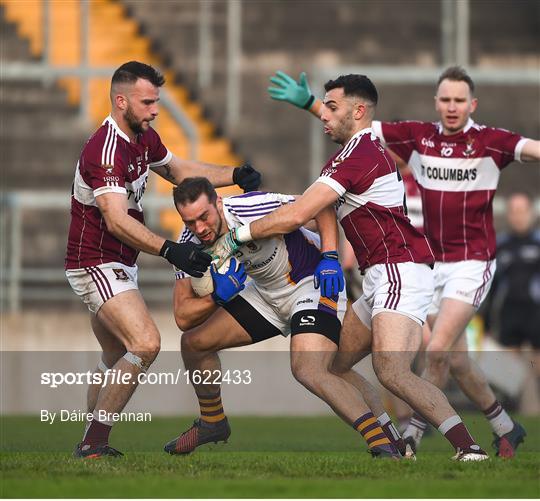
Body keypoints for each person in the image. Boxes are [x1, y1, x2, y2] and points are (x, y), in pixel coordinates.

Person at [266, 66, 540, 458]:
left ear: (472, 104)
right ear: (436, 102)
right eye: (444, 99)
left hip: (454, 262)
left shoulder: (489, 142)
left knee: (420, 357)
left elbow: (535, 150)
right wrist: (312, 104)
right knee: (357, 363)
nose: (451, 106)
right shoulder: (417, 137)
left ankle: (447, 444)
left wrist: (245, 229)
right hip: (411, 261)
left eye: (459, 100)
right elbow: (356, 126)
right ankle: (495, 427)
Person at [213, 74, 489, 461]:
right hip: (381, 275)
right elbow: (309, 214)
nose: (324, 115)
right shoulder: (358, 152)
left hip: (400, 268)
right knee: (335, 363)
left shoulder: (357, 156)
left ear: (358, 111)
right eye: (323, 106)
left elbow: (301, 214)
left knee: (391, 370)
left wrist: (238, 235)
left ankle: (469, 449)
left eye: (332, 106)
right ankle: (393, 442)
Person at [64, 61, 261, 458]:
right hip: (96, 263)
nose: (155, 110)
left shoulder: (142, 137)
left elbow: (177, 169)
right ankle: (93, 444)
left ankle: (88, 443)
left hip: (118, 263)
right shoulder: (105, 151)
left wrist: (233, 173)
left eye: (157, 101)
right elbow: (116, 221)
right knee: (146, 343)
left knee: (115, 356)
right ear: (122, 101)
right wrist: (171, 249)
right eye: (148, 101)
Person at [163, 177, 402, 458]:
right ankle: (213, 422)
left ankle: (382, 445)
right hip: (265, 294)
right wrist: (215, 297)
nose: (199, 229)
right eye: (190, 222)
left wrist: (329, 257)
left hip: (311, 283)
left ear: (218, 202)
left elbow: (320, 205)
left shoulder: (251, 207)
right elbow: (182, 315)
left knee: (308, 368)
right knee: (193, 343)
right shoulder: (189, 241)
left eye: (203, 217)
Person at [483, 192, 540, 413]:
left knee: (535, 368)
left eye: (522, 211)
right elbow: (492, 287)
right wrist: (486, 324)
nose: (518, 216)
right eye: (513, 211)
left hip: (536, 314)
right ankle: (513, 414)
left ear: (531, 214)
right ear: (508, 215)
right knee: (511, 372)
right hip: (509, 314)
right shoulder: (500, 246)